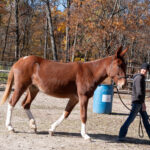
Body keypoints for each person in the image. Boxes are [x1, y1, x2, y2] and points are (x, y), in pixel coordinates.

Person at [118, 63, 150, 141]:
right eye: (143, 69)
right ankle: (121, 135)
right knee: (130, 119)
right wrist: (143, 103)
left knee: (145, 120)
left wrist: (143, 103)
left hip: (139, 102)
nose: (144, 71)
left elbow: (140, 93)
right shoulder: (140, 78)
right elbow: (139, 92)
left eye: (146, 70)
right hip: (138, 102)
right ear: (141, 69)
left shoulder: (140, 77)